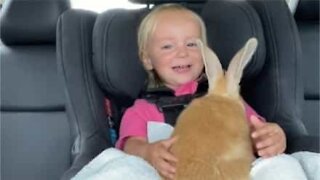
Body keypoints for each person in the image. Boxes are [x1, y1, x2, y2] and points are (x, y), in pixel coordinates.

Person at [115, 3, 286, 180]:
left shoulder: (226, 98)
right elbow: (131, 146)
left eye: (191, 44)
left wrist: (272, 137)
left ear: (205, 53)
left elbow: (257, 131)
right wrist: (149, 152)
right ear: (147, 59)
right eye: (167, 46)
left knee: (280, 165)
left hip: (229, 172)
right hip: (173, 174)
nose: (182, 53)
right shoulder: (141, 110)